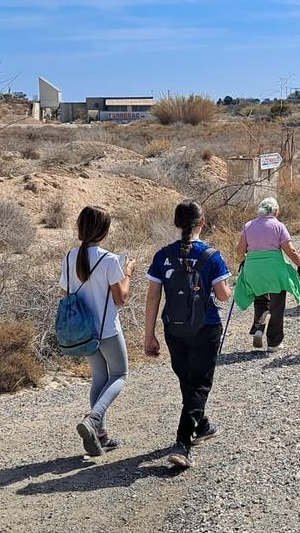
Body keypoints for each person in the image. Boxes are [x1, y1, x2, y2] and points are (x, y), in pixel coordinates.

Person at [144, 200, 233, 469]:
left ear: (176, 223)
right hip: (205, 326)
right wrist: (231, 288)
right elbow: (222, 295)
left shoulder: (162, 256)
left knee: (187, 380)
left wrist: (149, 334)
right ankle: (183, 443)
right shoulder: (212, 256)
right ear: (202, 222)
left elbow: (152, 296)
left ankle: (201, 424)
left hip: (173, 328)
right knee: (200, 384)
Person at [60, 205, 135, 458]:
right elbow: (121, 297)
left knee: (99, 377)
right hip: (107, 330)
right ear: (103, 230)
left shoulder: (70, 256)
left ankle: (100, 435)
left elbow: (65, 293)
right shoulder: (110, 260)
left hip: (83, 332)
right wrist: (128, 273)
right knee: (120, 375)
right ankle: (93, 420)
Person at [235, 197, 300, 352]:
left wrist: (245, 260)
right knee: (277, 305)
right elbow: (290, 250)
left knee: (260, 299)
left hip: (254, 269)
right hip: (274, 271)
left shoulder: (249, 226)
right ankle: (273, 343)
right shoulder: (278, 226)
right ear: (275, 211)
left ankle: (259, 328)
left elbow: (240, 250)